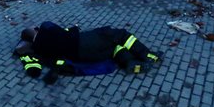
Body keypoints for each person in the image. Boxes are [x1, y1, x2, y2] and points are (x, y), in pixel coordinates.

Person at [14, 21, 159, 83]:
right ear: (34, 30)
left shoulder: (39, 50)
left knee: (112, 49)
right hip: (83, 41)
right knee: (119, 35)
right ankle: (147, 55)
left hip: (82, 57)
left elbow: (35, 64)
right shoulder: (45, 27)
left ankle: (130, 62)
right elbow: (64, 30)